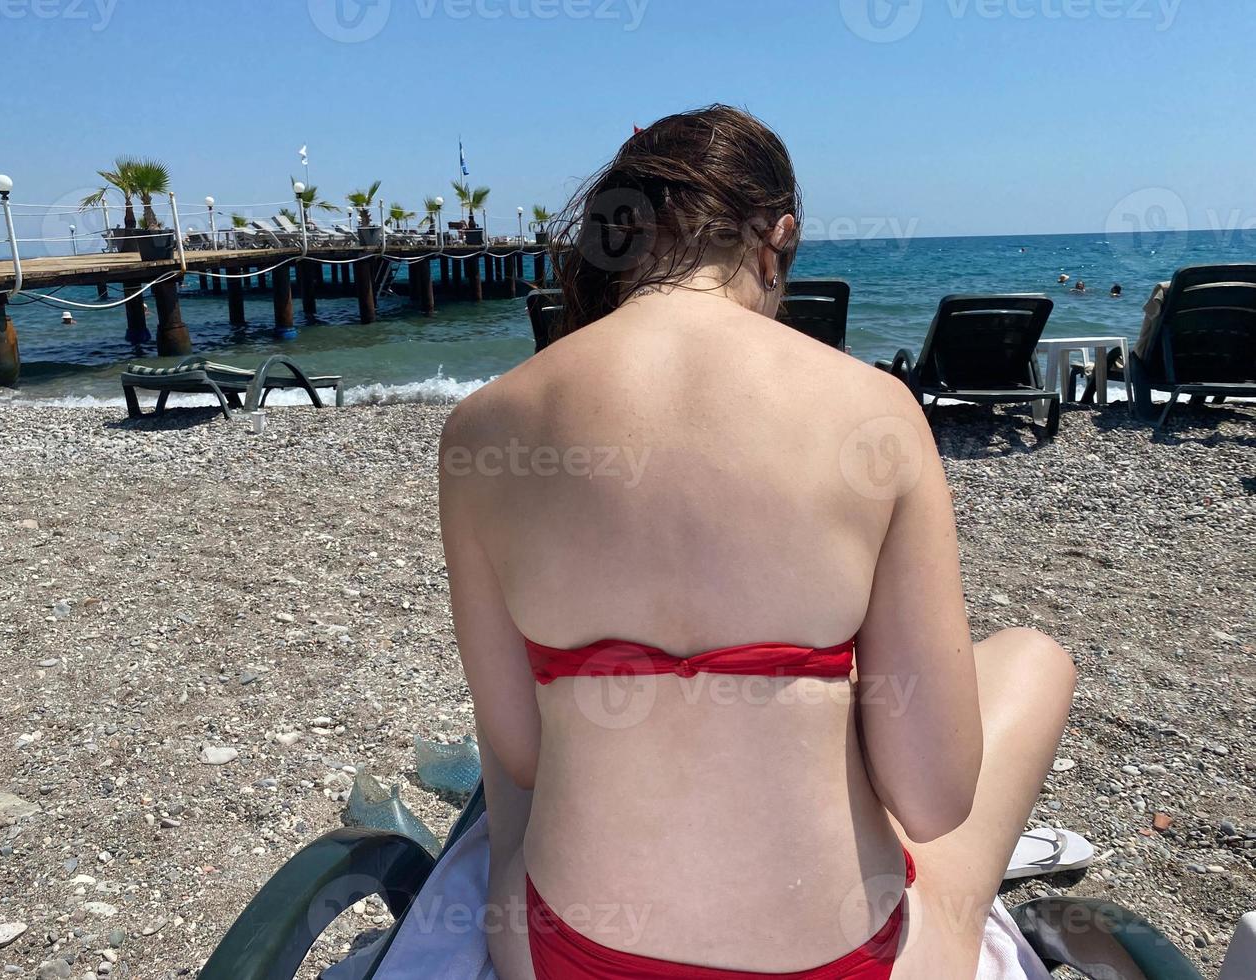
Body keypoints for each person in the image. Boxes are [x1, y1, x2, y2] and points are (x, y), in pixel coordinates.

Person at [439, 105, 1074, 980]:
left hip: (569, 956)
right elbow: (931, 801)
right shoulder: (872, 411)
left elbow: (520, 755)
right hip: (839, 961)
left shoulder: (483, 427)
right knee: (1033, 658)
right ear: (777, 238)